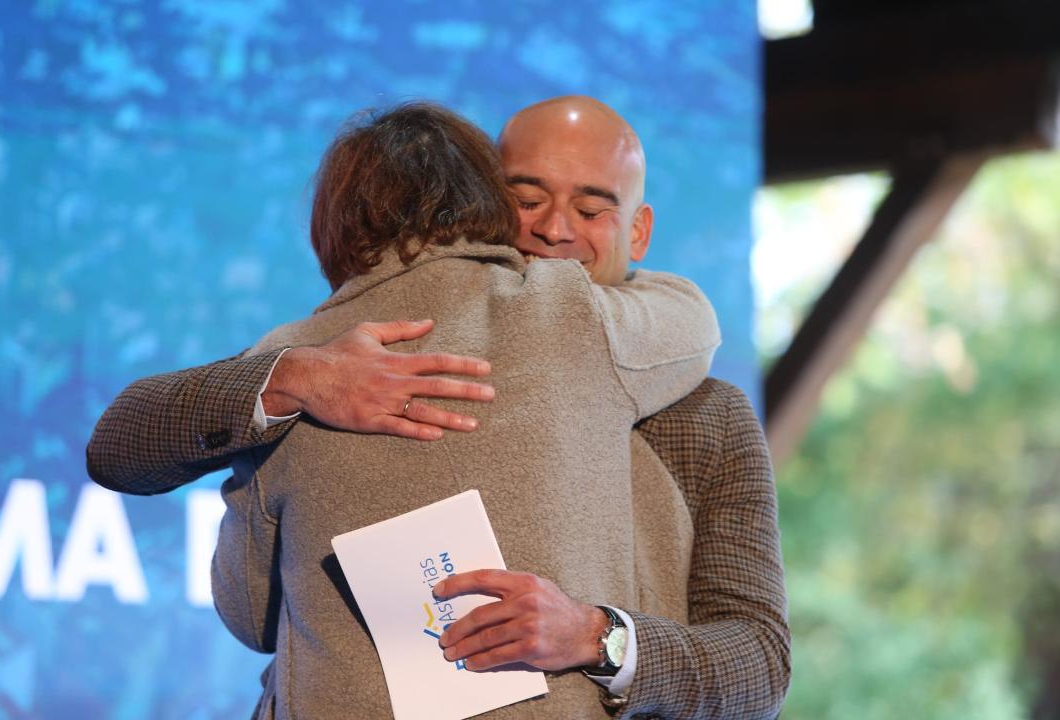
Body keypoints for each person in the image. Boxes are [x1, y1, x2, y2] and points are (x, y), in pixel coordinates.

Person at [87, 96, 790, 719]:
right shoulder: (325, 359)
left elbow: (759, 664)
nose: (553, 229)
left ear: (637, 231)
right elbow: (123, 443)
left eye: (590, 206)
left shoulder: (703, 414)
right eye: (528, 195)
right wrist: (294, 378)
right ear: (483, 201)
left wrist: (599, 635)